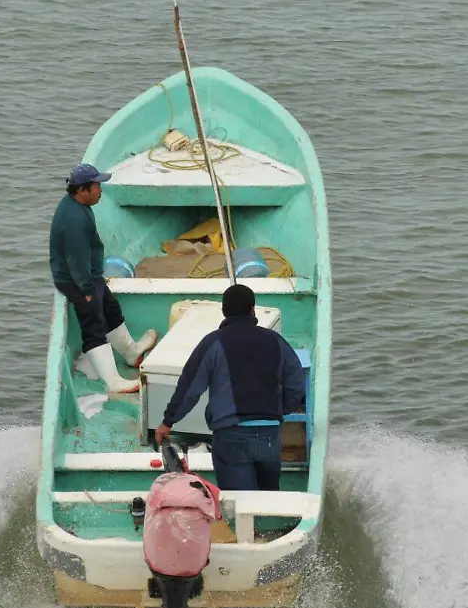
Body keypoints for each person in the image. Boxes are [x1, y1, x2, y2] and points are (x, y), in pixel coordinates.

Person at [155, 284, 307, 491]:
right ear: (253, 310)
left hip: (231, 437)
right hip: (269, 437)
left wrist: (167, 422)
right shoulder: (275, 341)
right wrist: (281, 409)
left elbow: (189, 389)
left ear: (223, 311)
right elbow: (296, 381)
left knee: (239, 507)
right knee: (268, 502)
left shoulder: (212, 343)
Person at [50, 163, 157, 394]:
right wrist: (87, 290)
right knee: (94, 327)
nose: (100, 190)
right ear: (82, 190)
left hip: (90, 275)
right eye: (97, 186)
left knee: (110, 308)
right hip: (78, 282)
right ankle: (114, 383)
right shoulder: (74, 221)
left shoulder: (80, 206)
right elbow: (76, 261)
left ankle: (130, 351)